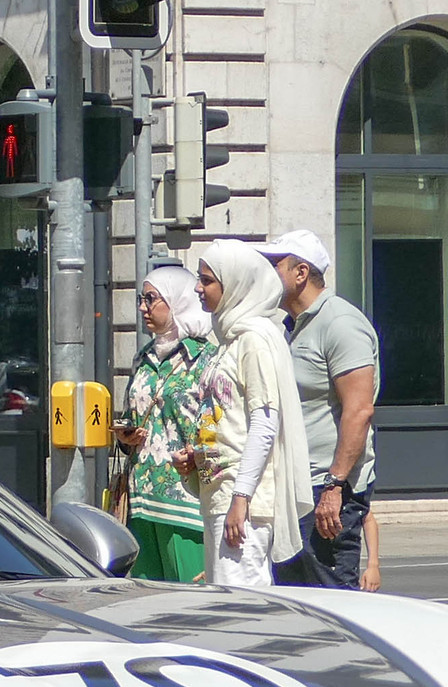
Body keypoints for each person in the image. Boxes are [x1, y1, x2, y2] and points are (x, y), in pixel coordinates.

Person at [178, 241, 314, 589]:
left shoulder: (254, 340)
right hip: (220, 495)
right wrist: (197, 460)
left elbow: (265, 423)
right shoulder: (229, 340)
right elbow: (228, 422)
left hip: (243, 504)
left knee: (241, 607)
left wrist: (241, 498)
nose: (197, 288)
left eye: (207, 280)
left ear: (235, 284)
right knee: (224, 602)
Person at [258, 228, 380, 588]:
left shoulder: (340, 323)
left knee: (331, 597)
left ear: (301, 273)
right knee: (297, 599)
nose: (267, 275)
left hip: (325, 487)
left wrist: (334, 486)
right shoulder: (290, 327)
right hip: (296, 482)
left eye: (274, 265)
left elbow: (359, 410)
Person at [110, 264, 215, 583]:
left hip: (186, 504)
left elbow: (218, 430)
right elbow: (134, 416)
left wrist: (202, 466)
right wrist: (125, 438)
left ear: (176, 300)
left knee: (191, 603)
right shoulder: (143, 357)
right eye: (141, 299)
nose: (143, 307)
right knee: (147, 602)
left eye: (151, 299)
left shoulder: (206, 358)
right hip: (141, 500)